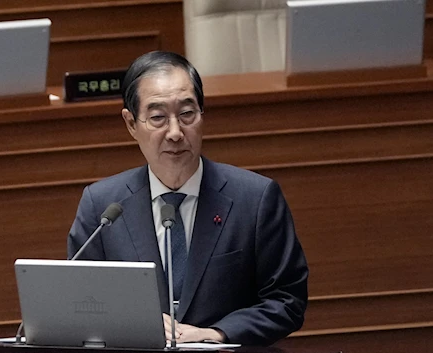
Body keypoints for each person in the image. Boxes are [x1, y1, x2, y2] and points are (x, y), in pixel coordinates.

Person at [67, 51, 308, 346]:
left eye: (187, 114)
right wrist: (137, 324)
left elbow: (287, 300)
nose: (175, 132)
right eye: (157, 117)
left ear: (203, 115)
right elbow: (81, 304)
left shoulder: (255, 199)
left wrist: (216, 333)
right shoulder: (102, 205)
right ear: (131, 124)